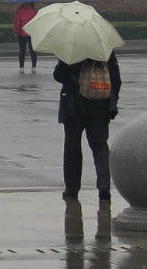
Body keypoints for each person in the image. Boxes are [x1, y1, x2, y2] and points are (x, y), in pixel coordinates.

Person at [52, 48, 122, 203]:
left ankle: (72, 188)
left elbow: (59, 75)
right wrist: (111, 101)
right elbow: (115, 78)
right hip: (100, 106)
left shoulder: (71, 48)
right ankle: (104, 185)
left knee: (72, 146)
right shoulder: (104, 48)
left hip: (74, 106)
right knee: (100, 146)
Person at [12, 0, 40, 72]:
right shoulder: (34, 11)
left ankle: (21, 67)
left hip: (22, 33)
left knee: (22, 50)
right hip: (32, 33)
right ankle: (34, 67)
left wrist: (16, 32)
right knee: (33, 50)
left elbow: (17, 22)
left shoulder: (19, 11)